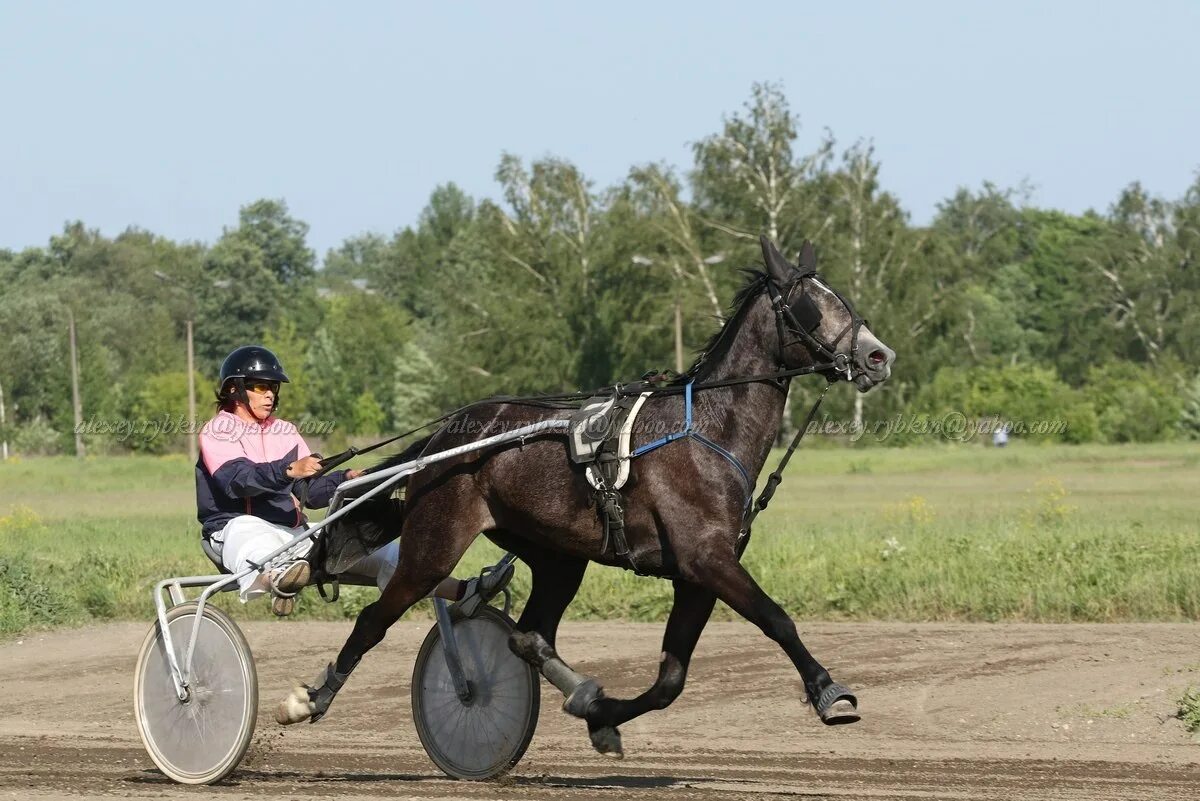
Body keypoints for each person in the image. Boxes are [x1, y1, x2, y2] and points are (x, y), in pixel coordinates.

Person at [195, 345, 476, 616]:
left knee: (381, 547)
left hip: (292, 533)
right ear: (234, 389)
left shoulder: (284, 431)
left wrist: (349, 479)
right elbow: (236, 480)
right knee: (251, 535)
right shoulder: (219, 430)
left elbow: (311, 493)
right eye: (260, 387)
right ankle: (277, 580)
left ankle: (467, 592)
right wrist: (288, 470)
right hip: (232, 531)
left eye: (273, 387)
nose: (269, 394)